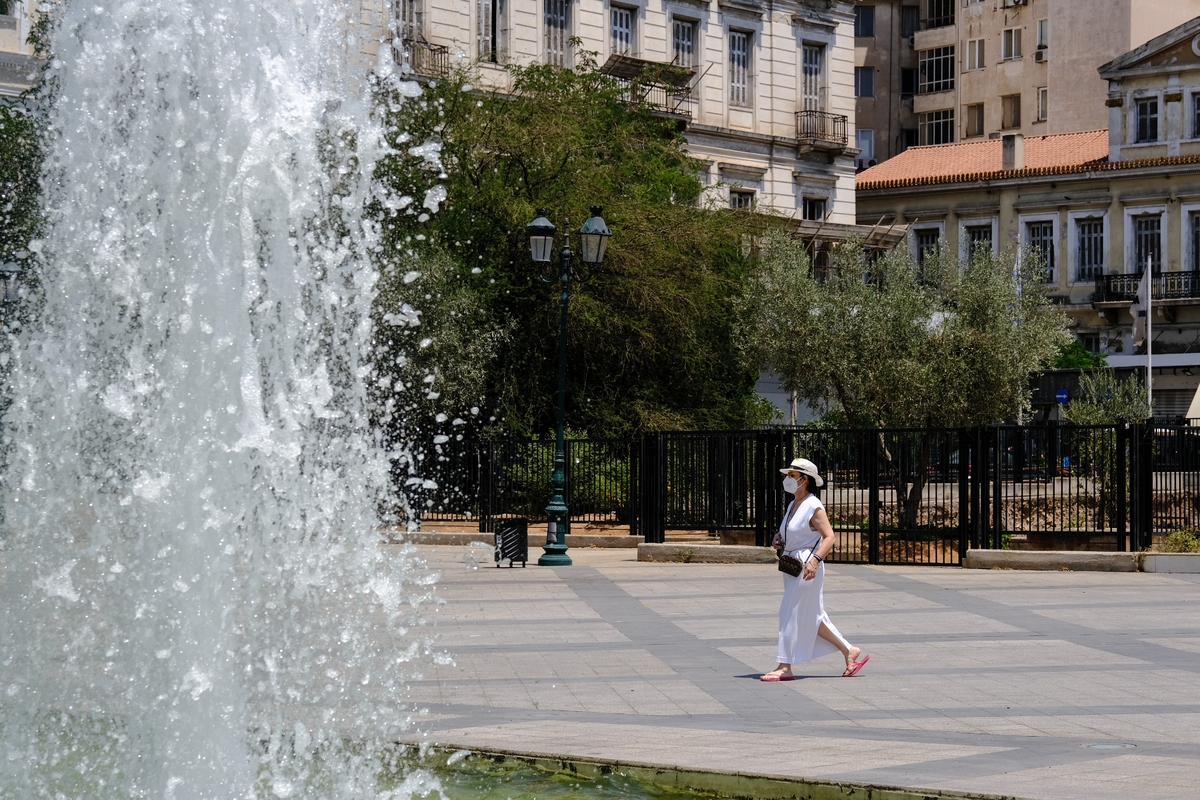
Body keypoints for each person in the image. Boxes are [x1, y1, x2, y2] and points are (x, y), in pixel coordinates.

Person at [761, 457, 869, 681]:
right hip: (792, 564)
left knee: (789, 612)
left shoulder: (813, 505)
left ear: (804, 479)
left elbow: (829, 537)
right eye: (788, 475)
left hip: (807, 565)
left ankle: (784, 666)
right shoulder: (793, 504)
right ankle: (849, 651)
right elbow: (794, 533)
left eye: (792, 475)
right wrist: (780, 538)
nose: (788, 479)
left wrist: (815, 560)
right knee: (811, 616)